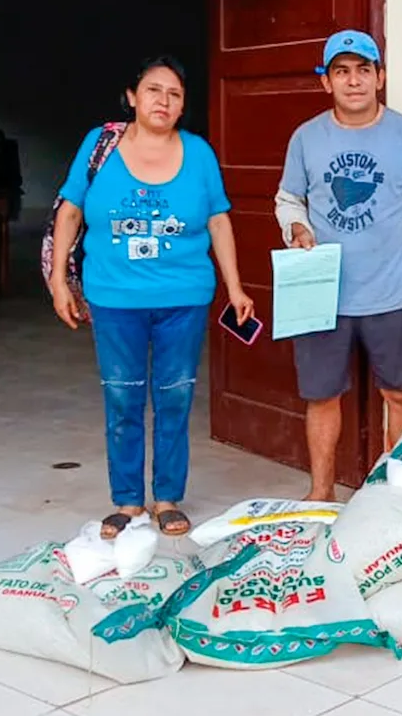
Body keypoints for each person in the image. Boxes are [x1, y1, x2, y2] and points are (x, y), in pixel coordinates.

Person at [49, 55, 254, 538]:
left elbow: (218, 219)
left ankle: (166, 498)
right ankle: (127, 502)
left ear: (183, 105)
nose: (164, 100)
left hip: (183, 296)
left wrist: (236, 285)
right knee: (122, 397)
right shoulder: (99, 147)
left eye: (175, 94)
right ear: (132, 96)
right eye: (154, 90)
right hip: (114, 297)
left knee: (174, 397)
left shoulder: (199, 154)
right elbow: (70, 211)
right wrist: (59, 279)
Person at [276, 29, 402, 502]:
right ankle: (321, 494)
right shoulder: (307, 138)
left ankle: (400, 495)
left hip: (389, 291)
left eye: (363, 70)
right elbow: (288, 200)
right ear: (326, 82)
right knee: (322, 396)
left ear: (380, 77)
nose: (353, 81)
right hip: (321, 290)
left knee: (399, 394)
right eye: (341, 71)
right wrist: (296, 228)